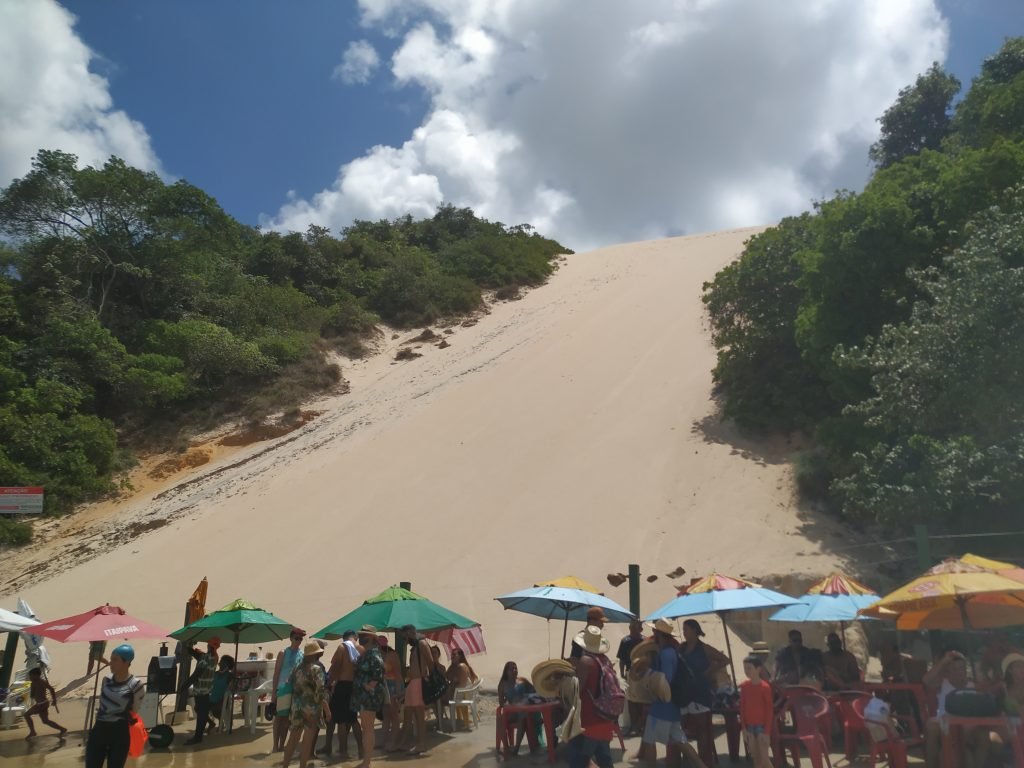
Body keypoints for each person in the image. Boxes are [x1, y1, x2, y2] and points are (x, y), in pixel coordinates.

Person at [643, 618, 707, 768]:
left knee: (649, 741)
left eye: (654, 631)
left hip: (662, 707)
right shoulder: (670, 652)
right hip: (671, 707)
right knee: (681, 742)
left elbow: (666, 680)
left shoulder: (666, 654)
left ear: (658, 633)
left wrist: (650, 674)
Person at [85, 643, 145, 768]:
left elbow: (134, 710)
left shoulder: (136, 685)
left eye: (115, 660)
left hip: (119, 732)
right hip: (99, 730)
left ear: (126, 662)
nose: (110, 663)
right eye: (111, 659)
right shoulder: (106, 679)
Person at [568, 625, 617, 768]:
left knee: (578, 759)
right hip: (605, 717)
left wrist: (573, 670)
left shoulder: (586, 661)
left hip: (589, 720)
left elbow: (578, 689)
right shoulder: (605, 660)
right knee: (604, 760)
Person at [923, 649, 979, 768]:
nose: (959, 672)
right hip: (944, 723)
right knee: (931, 727)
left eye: (961, 669)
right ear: (948, 671)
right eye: (954, 669)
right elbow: (926, 680)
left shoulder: (973, 686)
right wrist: (944, 661)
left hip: (965, 727)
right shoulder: (943, 683)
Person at [282, 641, 330, 768]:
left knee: (292, 740)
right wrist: (327, 710)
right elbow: (320, 693)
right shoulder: (317, 669)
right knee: (307, 742)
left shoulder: (297, 668)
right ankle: (302, 766)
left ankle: (285, 766)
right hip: (311, 709)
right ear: (316, 654)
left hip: (296, 708)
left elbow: (288, 683)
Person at [323, 630, 363, 759]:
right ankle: (361, 749)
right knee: (353, 718)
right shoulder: (361, 649)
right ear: (355, 637)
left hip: (343, 685)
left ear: (344, 638)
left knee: (340, 719)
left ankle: (343, 750)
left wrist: (329, 683)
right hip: (355, 686)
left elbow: (336, 666)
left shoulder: (342, 647)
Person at [351, 625, 387, 768]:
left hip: (369, 696)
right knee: (366, 727)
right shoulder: (366, 653)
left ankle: (367, 761)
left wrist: (368, 686)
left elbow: (378, 671)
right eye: (360, 635)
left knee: (368, 728)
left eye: (364, 636)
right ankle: (367, 760)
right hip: (363, 696)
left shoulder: (373, 654)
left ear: (372, 638)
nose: (361, 638)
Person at [399, 624, 434, 755]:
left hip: (418, 682)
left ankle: (421, 744)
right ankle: (404, 742)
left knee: (419, 715)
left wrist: (429, 679)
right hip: (412, 683)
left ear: (409, 633)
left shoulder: (422, 644)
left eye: (405, 637)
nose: (405, 640)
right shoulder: (415, 646)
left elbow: (430, 663)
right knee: (408, 714)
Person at [272, 628, 306, 752]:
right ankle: (275, 746)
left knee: (287, 720)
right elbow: (276, 673)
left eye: (300, 639)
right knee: (279, 718)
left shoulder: (302, 654)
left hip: (295, 689)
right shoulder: (283, 653)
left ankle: (282, 745)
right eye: (296, 638)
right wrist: (273, 694)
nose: (298, 641)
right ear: (291, 638)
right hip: (282, 688)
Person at [184, 636, 220, 746]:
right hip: (208, 689)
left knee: (201, 714)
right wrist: (191, 650)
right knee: (200, 710)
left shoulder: (205, 658)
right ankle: (210, 724)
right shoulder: (215, 657)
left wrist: (184, 686)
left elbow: (196, 675)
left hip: (200, 690)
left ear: (209, 645)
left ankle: (197, 737)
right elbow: (199, 656)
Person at [497, 661, 539, 755]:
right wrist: (509, 704)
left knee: (522, 719)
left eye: (515, 668)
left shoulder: (522, 681)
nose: (514, 670)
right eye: (511, 669)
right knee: (500, 720)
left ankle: (516, 748)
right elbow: (501, 703)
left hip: (525, 711)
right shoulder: (503, 684)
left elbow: (534, 691)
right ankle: (506, 747)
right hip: (512, 711)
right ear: (506, 671)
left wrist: (525, 697)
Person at [739, 655, 772, 768]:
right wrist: (743, 728)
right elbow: (742, 708)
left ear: (758, 669)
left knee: (764, 758)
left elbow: (769, 710)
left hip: (762, 727)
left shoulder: (765, 687)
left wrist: (767, 732)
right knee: (756, 758)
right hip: (749, 727)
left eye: (749, 668)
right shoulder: (744, 686)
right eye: (745, 668)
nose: (746, 671)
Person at [23, 667, 66, 740]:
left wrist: (54, 700)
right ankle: (62, 729)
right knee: (45, 721)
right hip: (39, 704)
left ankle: (32, 732)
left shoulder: (42, 682)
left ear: (36, 675)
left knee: (26, 715)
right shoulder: (33, 683)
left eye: (31, 675)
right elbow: (33, 695)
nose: (30, 677)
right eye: (30, 676)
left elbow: (51, 689)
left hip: (43, 704)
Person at [379, 635, 404, 752]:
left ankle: (393, 741)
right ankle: (383, 741)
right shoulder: (379, 655)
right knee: (386, 715)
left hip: (394, 685)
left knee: (394, 715)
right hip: (385, 686)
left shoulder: (392, 655)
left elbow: (398, 674)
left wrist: (398, 692)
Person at [445, 647, 479, 730]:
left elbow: (460, 684)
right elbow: (447, 676)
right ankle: (460, 720)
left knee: (440, 698)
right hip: (463, 692)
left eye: (454, 654)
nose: (452, 656)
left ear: (460, 656)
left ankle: (456, 722)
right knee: (444, 694)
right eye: (451, 654)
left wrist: (450, 687)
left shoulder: (461, 666)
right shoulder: (454, 666)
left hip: (464, 693)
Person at [207, 654, 235, 734]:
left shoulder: (229, 676)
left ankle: (221, 722)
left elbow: (233, 687)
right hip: (211, 698)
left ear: (227, 665)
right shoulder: (215, 673)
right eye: (220, 662)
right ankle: (211, 723)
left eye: (222, 662)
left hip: (221, 700)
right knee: (199, 708)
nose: (220, 663)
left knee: (215, 709)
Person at [429, 645, 451, 732]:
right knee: (436, 699)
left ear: (438, 654)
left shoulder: (441, 667)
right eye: (431, 652)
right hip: (432, 691)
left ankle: (440, 721)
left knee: (438, 698)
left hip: (441, 691)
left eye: (434, 652)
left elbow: (444, 680)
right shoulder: (428, 667)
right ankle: (440, 720)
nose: (433, 654)